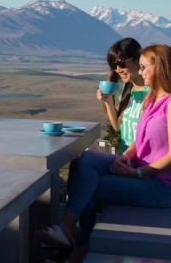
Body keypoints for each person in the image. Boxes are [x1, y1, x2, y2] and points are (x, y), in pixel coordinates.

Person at [39, 43, 171, 262]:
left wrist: (138, 173)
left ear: (160, 68)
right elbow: (140, 139)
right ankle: (69, 233)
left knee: (89, 185)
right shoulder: (152, 100)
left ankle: (77, 241)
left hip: (161, 186)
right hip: (141, 169)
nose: (139, 72)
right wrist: (128, 155)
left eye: (144, 67)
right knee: (86, 160)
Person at [99, 37, 148, 151]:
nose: (118, 70)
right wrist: (108, 101)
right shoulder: (128, 90)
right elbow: (118, 127)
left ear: (138, 59)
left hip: (143, 161)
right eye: (113, 65)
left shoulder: (155, 93)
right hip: (125, 158)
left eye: (121, 63)